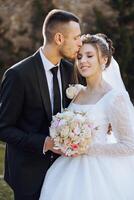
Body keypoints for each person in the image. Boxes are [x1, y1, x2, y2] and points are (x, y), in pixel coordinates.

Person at [39, 33, 134, 200]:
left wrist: (84, 148)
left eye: (89, 55)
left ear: (104, 59)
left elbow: (129, 145)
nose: (83, 61)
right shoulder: (77, 92)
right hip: (66, 168)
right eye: (79, 56)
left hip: (98, 172)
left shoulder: (115, 97)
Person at [0, 9, 82, 200]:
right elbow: (3, 128)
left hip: (65, 172)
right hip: (28, 175)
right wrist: (45, 143)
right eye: (76, 38)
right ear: (59, 38)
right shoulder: (18, 75)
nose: (80, 43)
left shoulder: (72, 72)